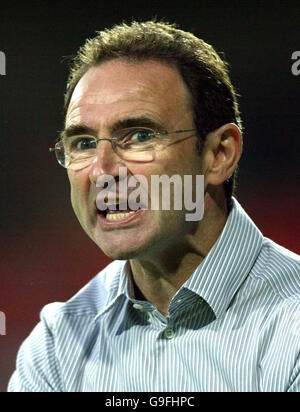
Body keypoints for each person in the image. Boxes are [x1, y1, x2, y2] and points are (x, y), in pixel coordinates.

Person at [8, 20, 299, 392]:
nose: (102, 170)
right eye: (82, 143)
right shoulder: (58, 346)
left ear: (219, 154)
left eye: (140, 136)